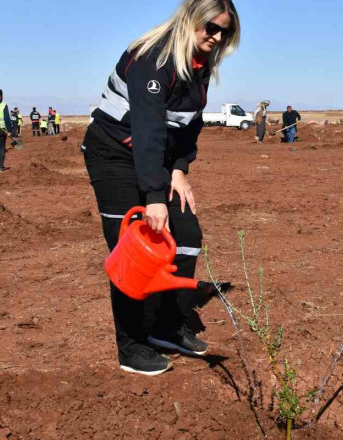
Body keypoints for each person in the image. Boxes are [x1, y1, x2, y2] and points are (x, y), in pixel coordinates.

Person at [81, 0, 241, 376]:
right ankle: (132, 346)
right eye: (211, 28)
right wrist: (155, 197)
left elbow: (188, 127)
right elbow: (148, 130)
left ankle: (168, 326)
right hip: (113, 155)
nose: (217, 38)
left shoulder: (200, 67)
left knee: (186, 234)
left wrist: (180, 170)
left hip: (157, 161)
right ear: (191, 20)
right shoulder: (154, 58)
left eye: (225, 32)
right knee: (132, 249)